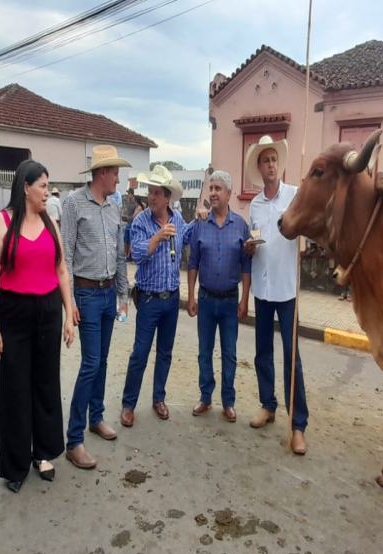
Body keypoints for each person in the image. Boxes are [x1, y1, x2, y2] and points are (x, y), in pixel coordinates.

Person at [0, 160, 75, 493]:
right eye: (43, 187)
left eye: (48, 187)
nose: (48, 193)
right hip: (13, 312)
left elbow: (62, 270)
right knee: (15, 388)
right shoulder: (1, 222)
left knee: (46, 384)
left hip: (48, 309)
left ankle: (43, 453)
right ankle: (16, 464)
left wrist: (69, 311)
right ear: (25, 187)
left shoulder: (50, 222)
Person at [61, 145, 130, 470]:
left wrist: (123, 295)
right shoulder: (74, 203)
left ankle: (96, 417)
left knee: (101, 360)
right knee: (90, 363)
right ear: (101, 174)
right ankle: (74, 440)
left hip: (107, 295)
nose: (118, 178)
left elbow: (119, 254)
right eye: (115, 172)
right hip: (86, 294)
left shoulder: (115, 207)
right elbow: (66, 255)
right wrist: (70, 301)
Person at [243, 135, 309, 455]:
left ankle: (297, 425)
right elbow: (254, 241)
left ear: (279, 165)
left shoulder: (295, 196)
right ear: (259, 167)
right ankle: (267, 405)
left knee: (291, 357)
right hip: (262, 287)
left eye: (274, 160)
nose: (270, 165)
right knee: (262, 352)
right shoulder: (254, 204)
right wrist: (249, 247)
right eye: (265, 160)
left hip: (286, 288)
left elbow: (306, 226)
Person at [119, 165, 196, 426]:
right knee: (140, 352)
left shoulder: (178, 220)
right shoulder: (141, 221)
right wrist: (158, 238)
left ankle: (158, 398)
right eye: (149, 192)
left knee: (165, 352)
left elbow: (188, 239)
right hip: (149, 298)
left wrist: (201, 217)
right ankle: (128, 404)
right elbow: (137, 254)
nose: (151, 197)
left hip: (172, 299)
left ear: (167, 197)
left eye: (156, 193)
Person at [186, 170, 251, 423]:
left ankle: (228, 401)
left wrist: (245, 299)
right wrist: (190, 295)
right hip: (205, 298)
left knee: (229, 352)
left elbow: (246, 265)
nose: (212, 193)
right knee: (204, 351)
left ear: (229, 194)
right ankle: (205, 396)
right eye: (210, 188)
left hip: (229, 300)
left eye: (217, 188)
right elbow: (193, 262)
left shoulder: (241, 225)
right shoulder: (201, 224)